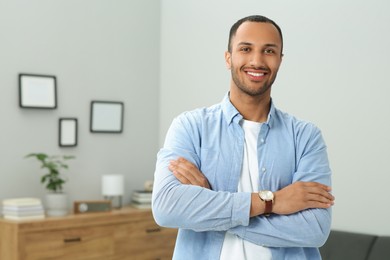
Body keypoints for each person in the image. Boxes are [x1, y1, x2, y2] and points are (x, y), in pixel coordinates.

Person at [152, 15, 335, 260]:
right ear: (229, 58)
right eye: (245, 49)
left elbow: (315, 229)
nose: (257, 61)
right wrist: (271, 202)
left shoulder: (305, 136)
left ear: (280, 60)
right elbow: (167, 207)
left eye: (269, 51)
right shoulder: (190, 126)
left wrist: (211, 204)